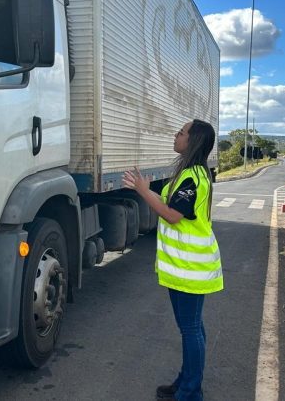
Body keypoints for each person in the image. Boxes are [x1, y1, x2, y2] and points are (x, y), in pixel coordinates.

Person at [122, 119, 222, 401]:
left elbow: (171, 215)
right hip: (184, 268)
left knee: (191, 329)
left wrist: (143, 190)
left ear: (193, 142)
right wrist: (141, 188)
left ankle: (190, 392)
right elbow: (168, 205)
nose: (176, 136)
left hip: (192, 269)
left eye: (181, 133)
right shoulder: (189, 174)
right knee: (191, 327)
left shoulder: (194, 178)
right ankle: (187, 382)